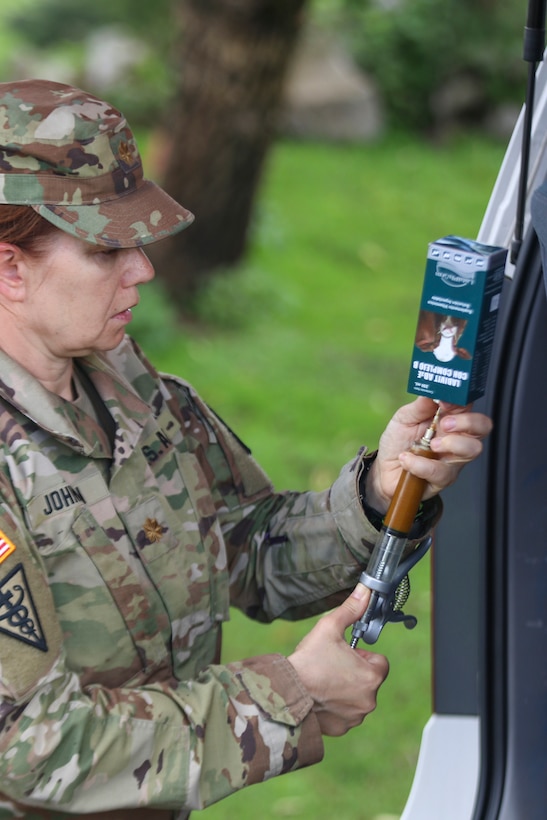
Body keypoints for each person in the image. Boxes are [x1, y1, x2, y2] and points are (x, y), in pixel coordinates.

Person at [0, 79, 492, 820]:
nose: (144, 271)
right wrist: (293, 695)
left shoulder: (133, 392)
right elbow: (31, 750)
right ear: (10, 268)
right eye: (108, 250)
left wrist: (378, 492)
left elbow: (246, 549)